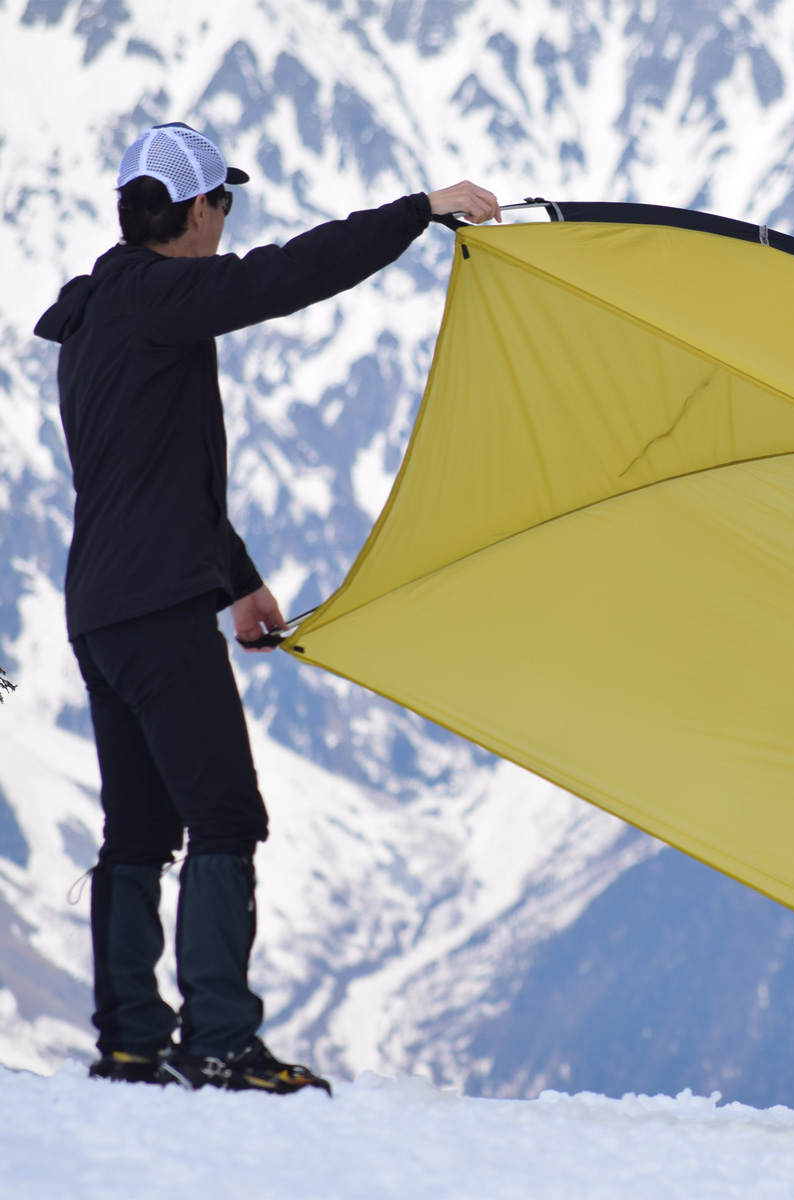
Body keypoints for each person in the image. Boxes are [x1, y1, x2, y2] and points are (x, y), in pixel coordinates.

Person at [33, 121, 500, 1093]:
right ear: (196, 211)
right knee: (225, 814)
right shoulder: (165, 297)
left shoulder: (98, 312)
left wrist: (238, 581)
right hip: (158, 608)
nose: (227, 226)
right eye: (224, 206)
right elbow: (286, 276)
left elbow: (161, 478)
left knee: (139, 832)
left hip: (103, 608)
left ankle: (128, 1037)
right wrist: (420, 210)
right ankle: (218, 1038)